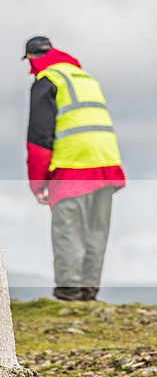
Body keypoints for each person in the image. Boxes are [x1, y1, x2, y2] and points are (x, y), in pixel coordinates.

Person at [22, 36, 126, 302]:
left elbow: (39, 138)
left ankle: (69, 294)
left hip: (72, 166)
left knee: (68, 228)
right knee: (96, 229)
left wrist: (37, 183)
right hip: (107, 163)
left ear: (33, 58)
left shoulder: (47, 81)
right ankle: (88, 292)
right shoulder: (85, 78)